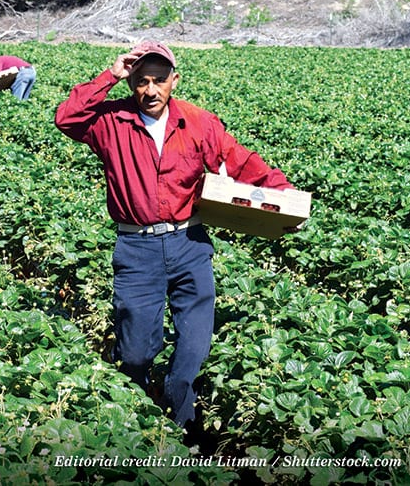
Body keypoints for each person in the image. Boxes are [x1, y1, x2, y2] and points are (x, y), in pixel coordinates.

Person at [54, 41, 295, 428]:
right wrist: (109, 75)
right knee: (134, 352)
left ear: (174, 81)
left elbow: (241, 161)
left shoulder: (199, 122)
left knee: (194, 345)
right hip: (136, 246)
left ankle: (182, 421)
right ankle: (138, 409)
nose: (151, 90)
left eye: (160, 80)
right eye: (141, 81)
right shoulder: (111, 122)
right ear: (130, 81)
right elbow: (66, 118)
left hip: (189, 243)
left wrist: (285, 197)